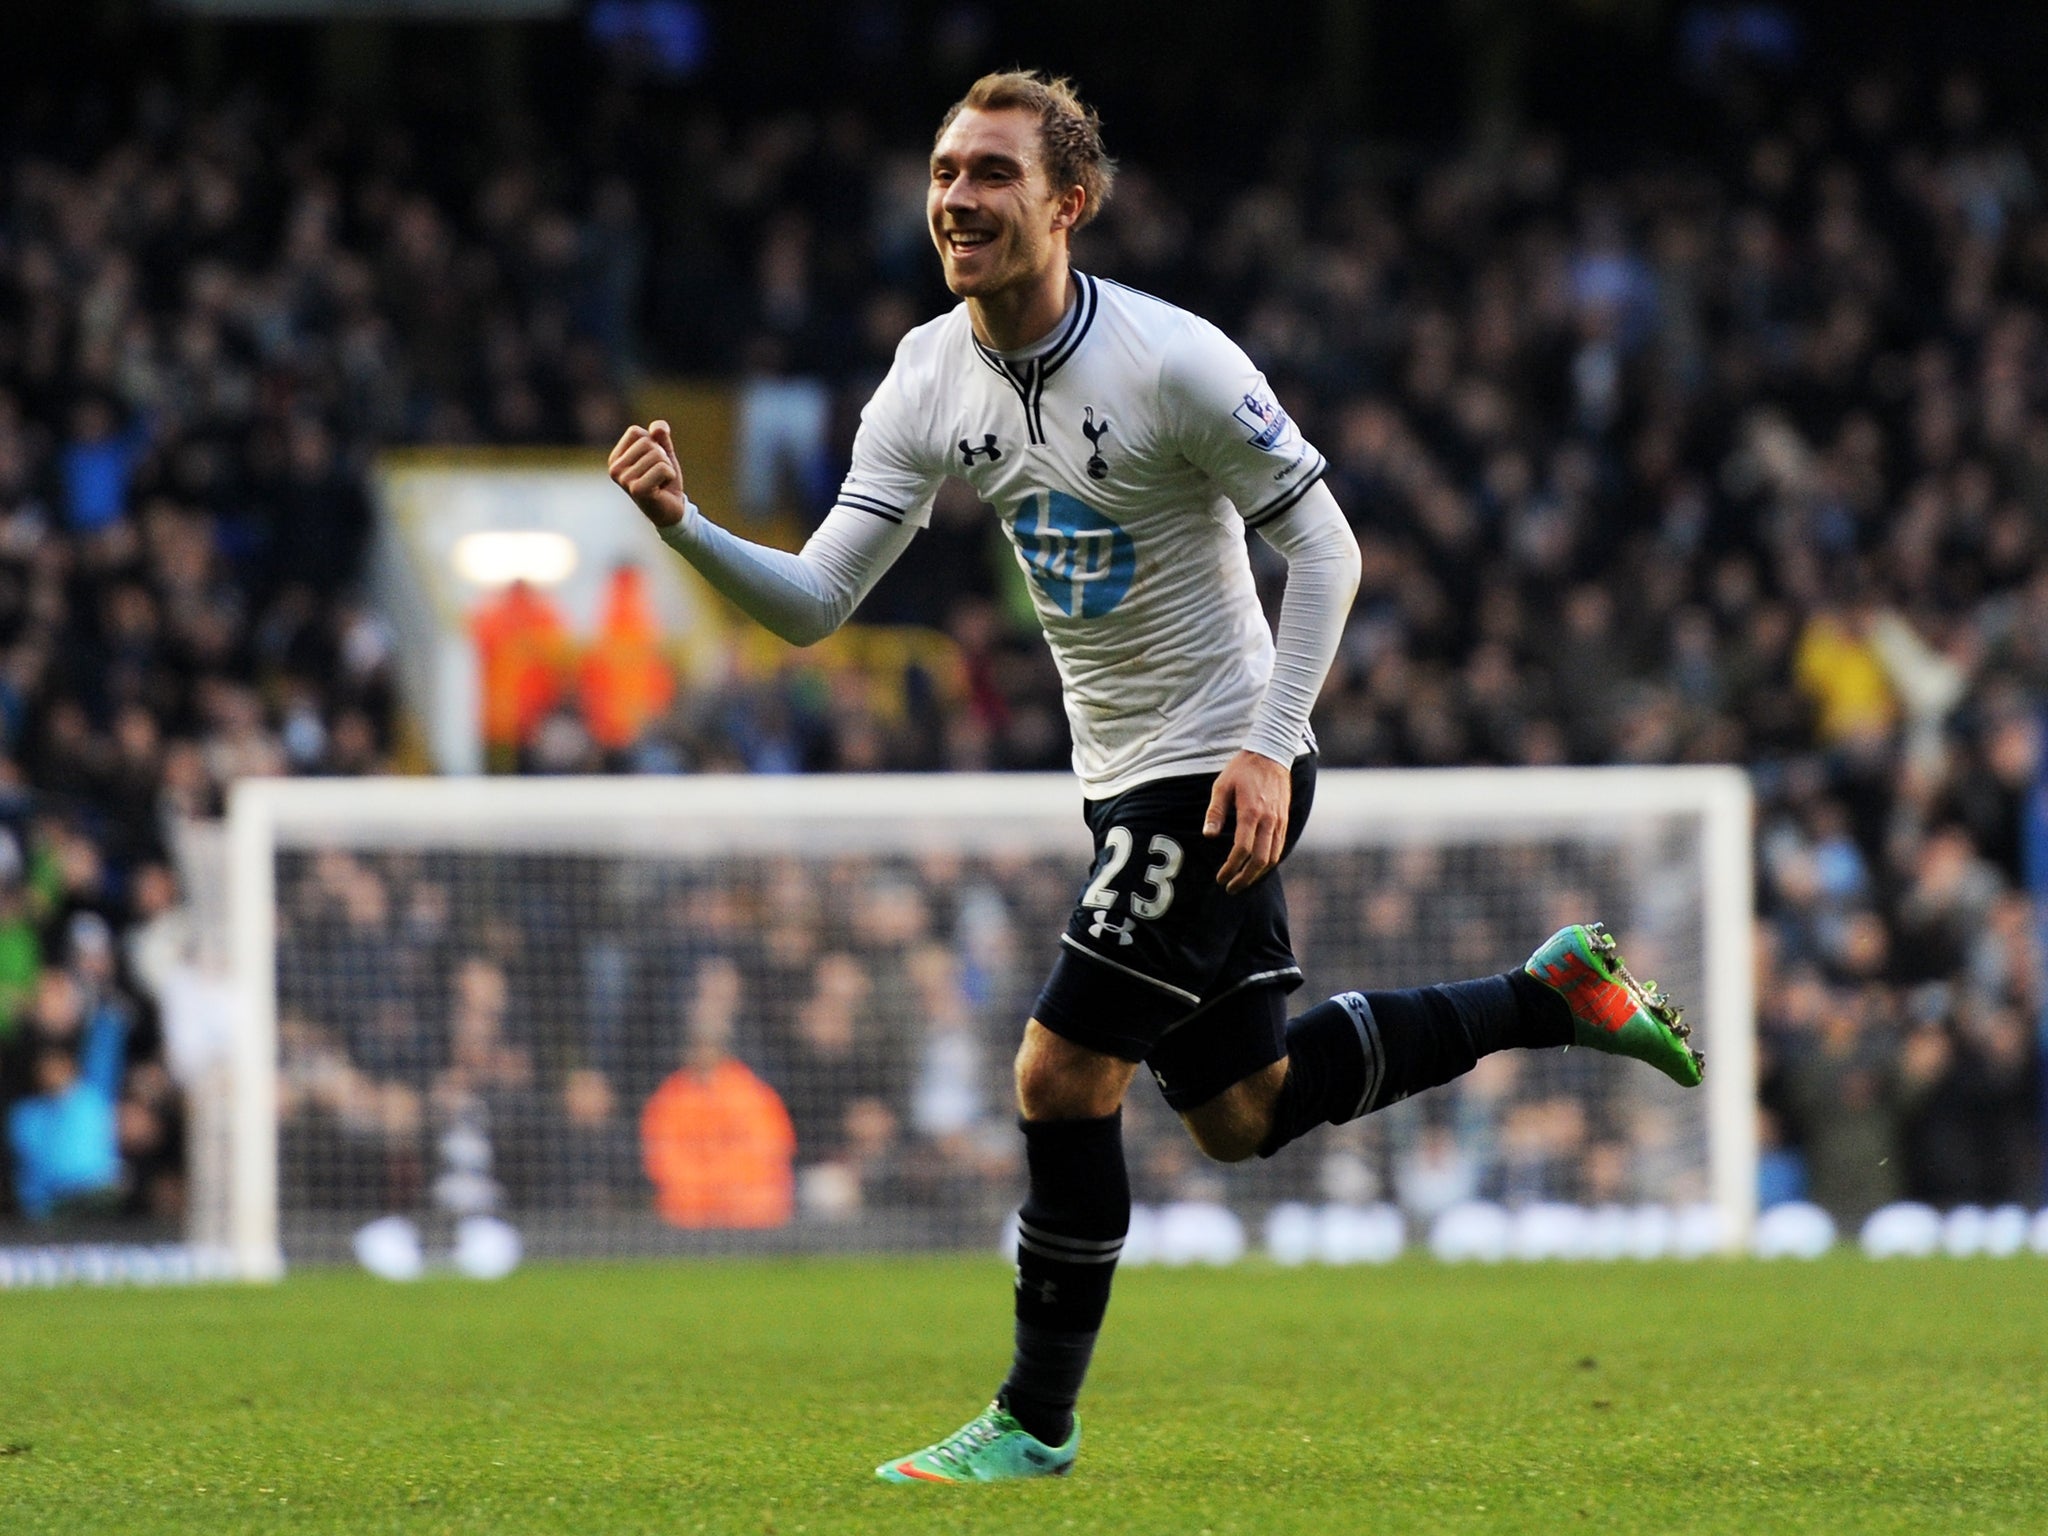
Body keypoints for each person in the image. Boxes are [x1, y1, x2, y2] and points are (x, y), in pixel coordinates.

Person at [609, 70, 1702, 1485]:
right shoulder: (926, 377)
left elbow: (1330, 551)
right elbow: (822, 601)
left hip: (1225, 759)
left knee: (1060, 1073)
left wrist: (1266, 742)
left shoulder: (1175, 359)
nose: (957, 198)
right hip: (1122, 781)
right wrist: (687, 526)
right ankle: (1552, 995)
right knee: (1243, 1114)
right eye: (945, 172)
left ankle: (1035, 1419)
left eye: (992, 174)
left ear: (1066, 204)